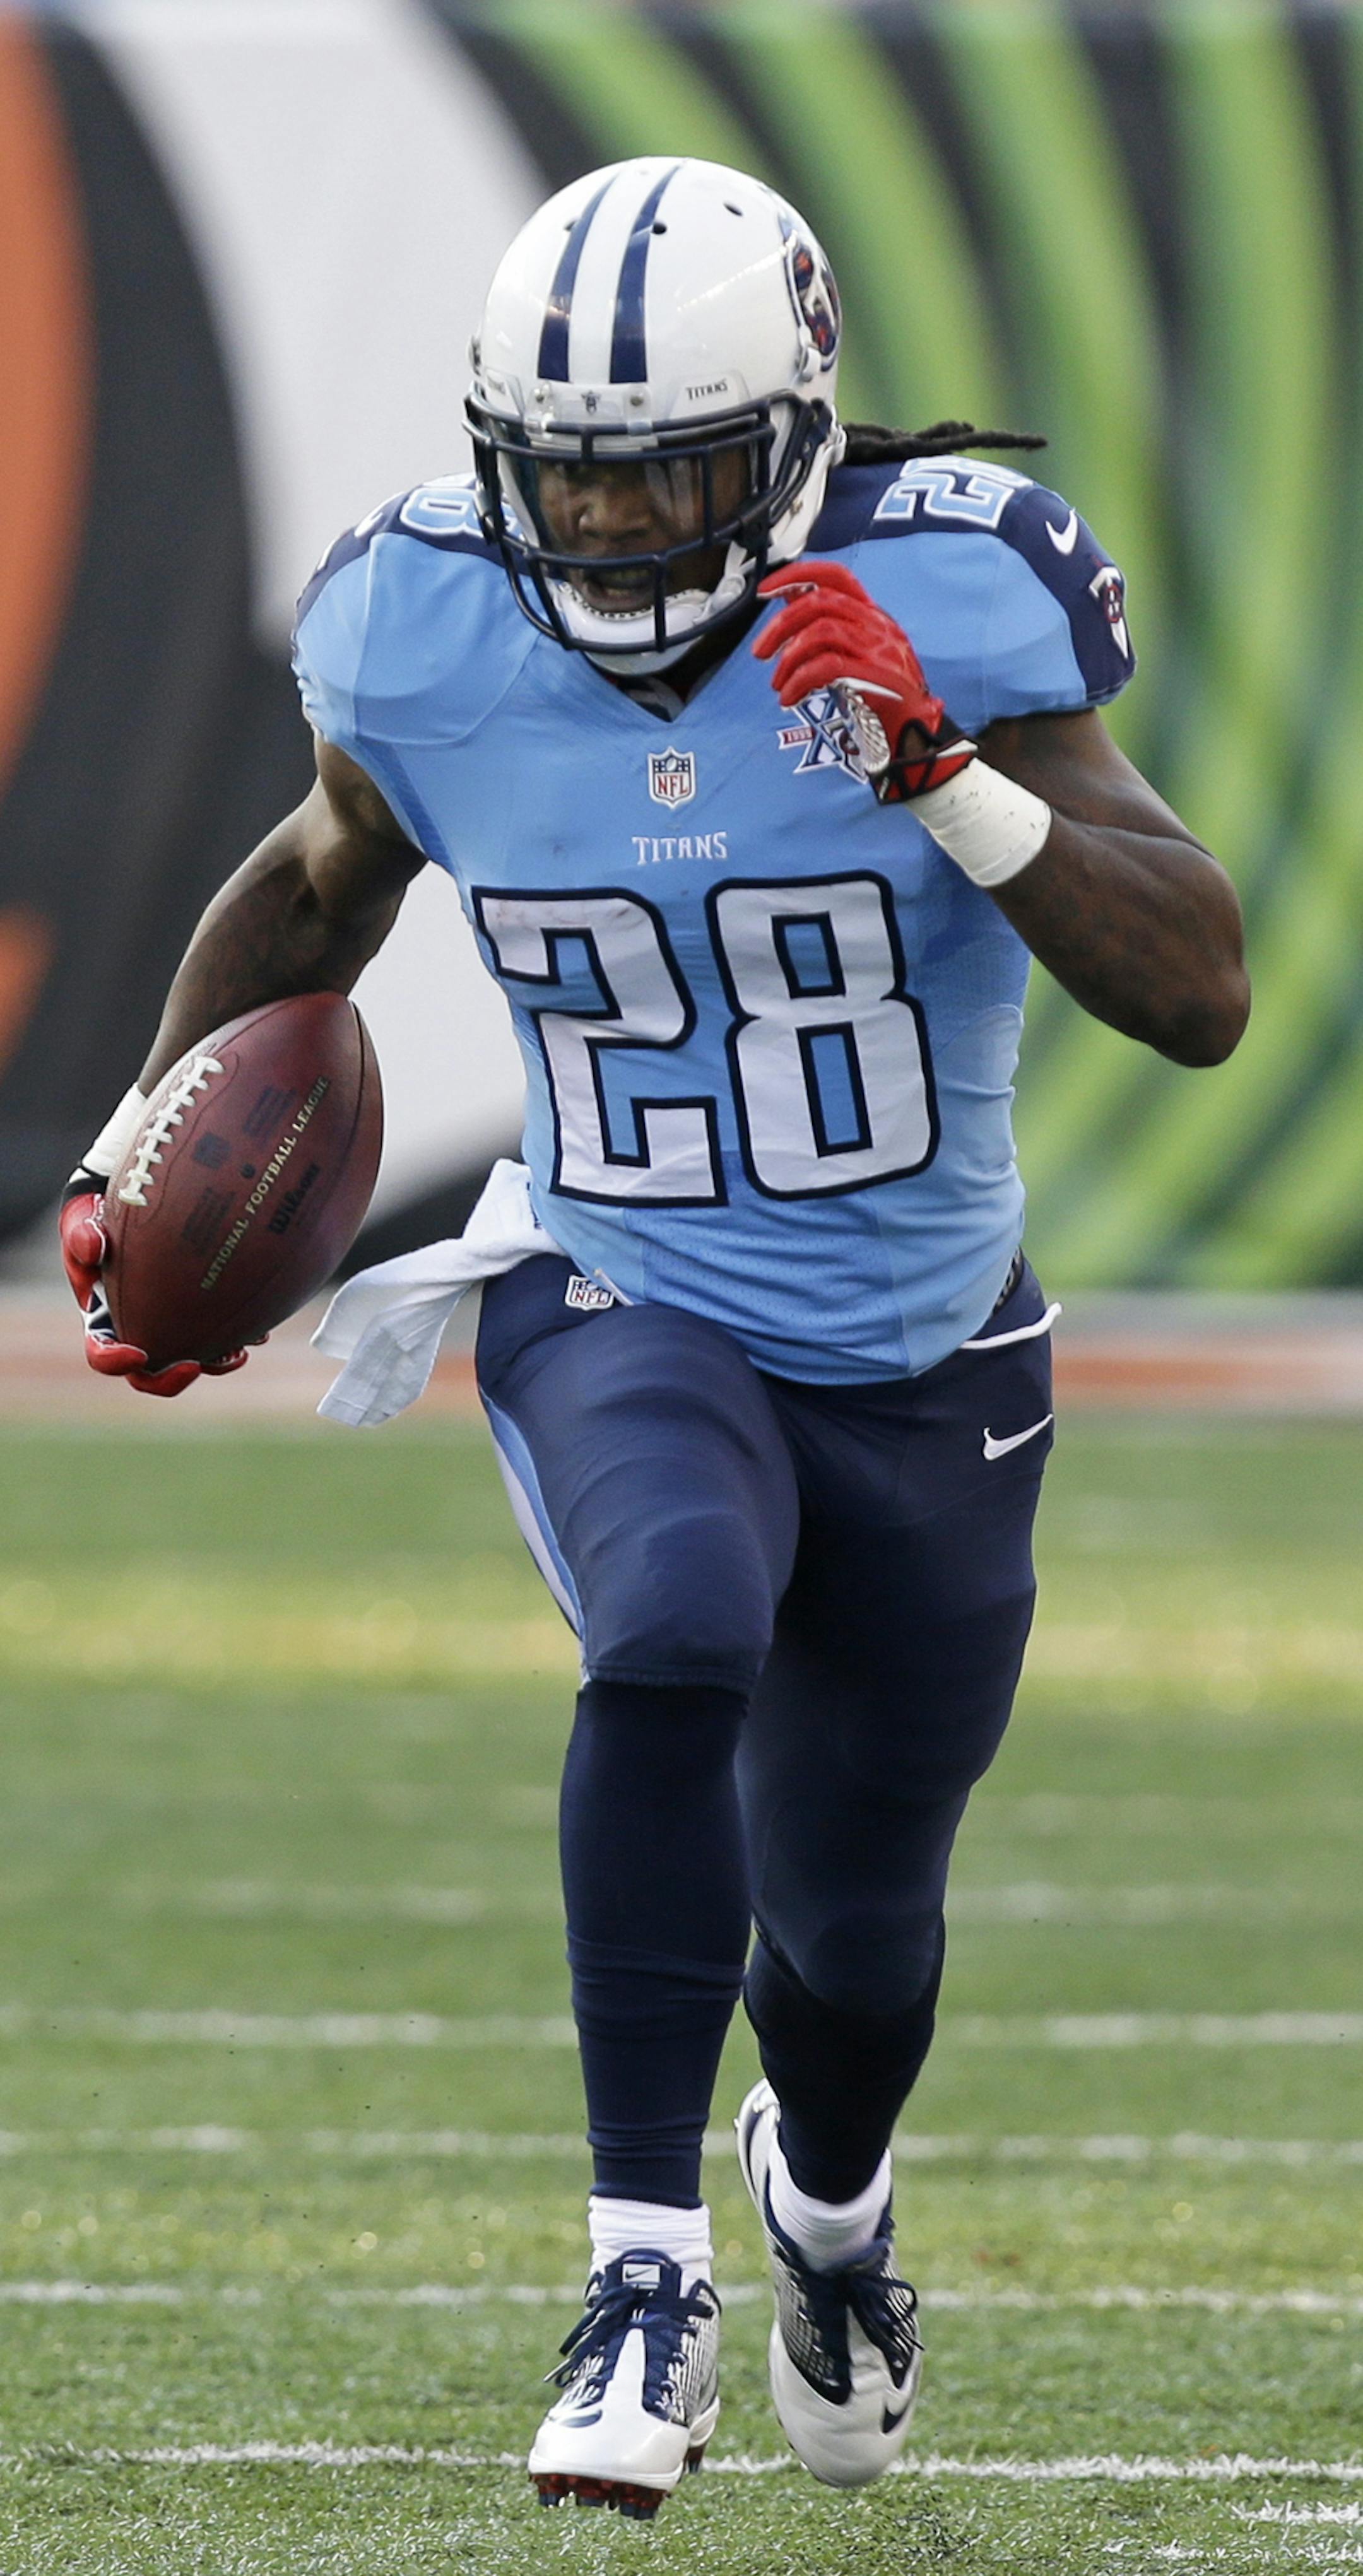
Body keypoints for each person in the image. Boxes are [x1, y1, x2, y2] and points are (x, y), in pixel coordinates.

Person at [60, 157, 1248, 2516]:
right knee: (676, 1622)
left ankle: (822, 2203)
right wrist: (141, 1158)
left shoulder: (952, 594)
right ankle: (640, 2273)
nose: (607, 528)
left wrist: (945, 774)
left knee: (861, 1948)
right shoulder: (424, 626)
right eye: (567, 476)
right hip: (623, 1279)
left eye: (666, 471)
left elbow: (1202, 987)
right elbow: (312, 887)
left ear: (795, 435)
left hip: (924, 1352)